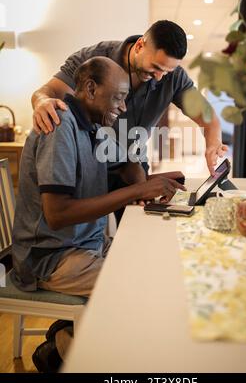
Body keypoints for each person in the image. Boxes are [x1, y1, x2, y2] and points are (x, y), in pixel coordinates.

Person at [12, 56, 184, 298]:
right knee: (147, 284)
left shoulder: (94, 128)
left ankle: (68, 332)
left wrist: (151, 183)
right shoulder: (59, 125)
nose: (123, 107)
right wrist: (137, 191)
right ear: (91, 89)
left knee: (156, 260)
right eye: (118, 97)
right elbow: (57, 214)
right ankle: (68, 334)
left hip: (88, 244)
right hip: (51, 258)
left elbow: (126, 166)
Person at [31, 20, 228, 179]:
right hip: (90, 165)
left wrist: (213, 143)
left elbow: (208, 117)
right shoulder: (94, 58)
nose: (160, 76)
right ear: (140, 45)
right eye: (156, 67)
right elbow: (49, 92)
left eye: (167, 71)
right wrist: (41, 101)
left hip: (133, 168)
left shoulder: (173, 77)